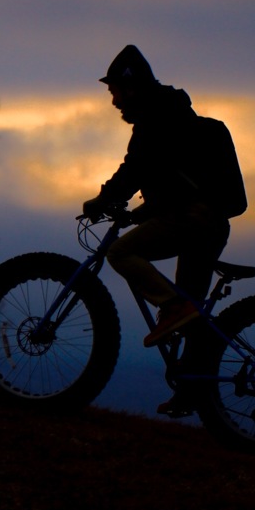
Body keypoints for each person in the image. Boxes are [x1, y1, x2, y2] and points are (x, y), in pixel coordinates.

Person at [82, 44, 236, 415]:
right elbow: (170, 178)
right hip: (209, 222)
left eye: (114, 91)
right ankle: (192, 390)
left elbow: (134, 168)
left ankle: (170, 306)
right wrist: (139, 213)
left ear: (131, 86)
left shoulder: (156, 118)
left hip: (192, 217)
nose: (114, 100)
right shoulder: (171, 114)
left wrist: (102, 201)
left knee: (121, 253)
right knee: (192, 316)